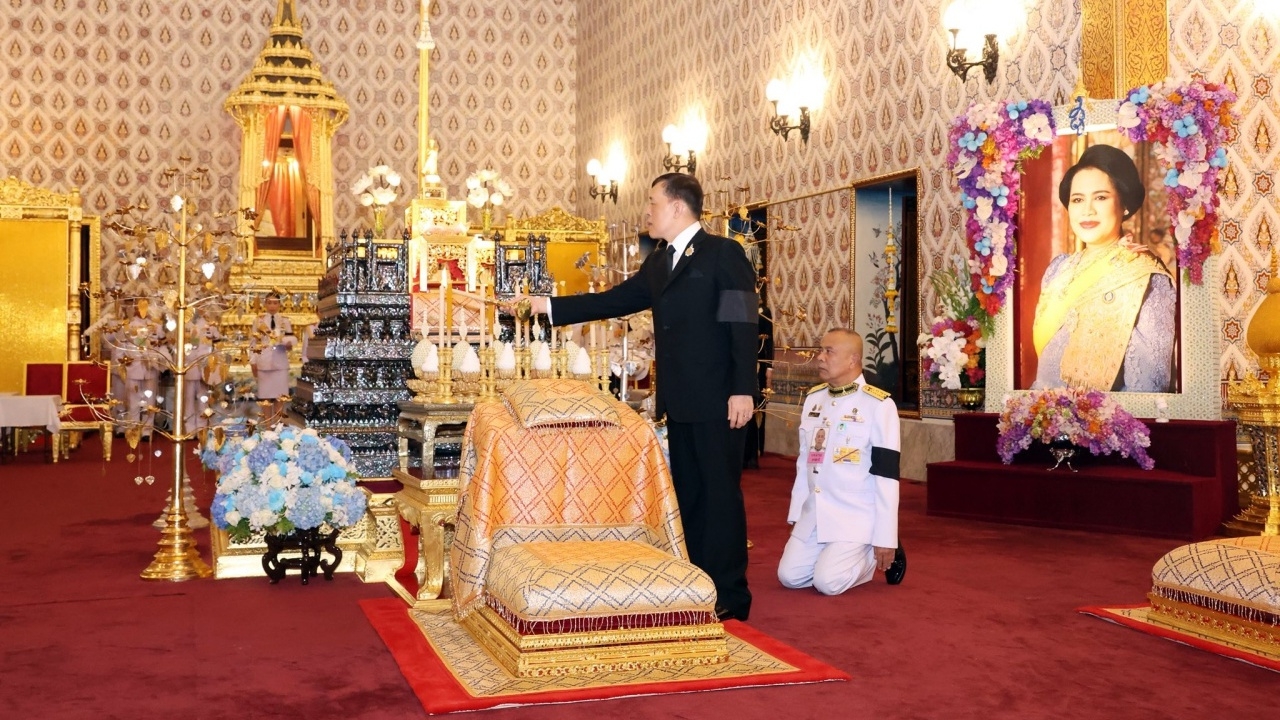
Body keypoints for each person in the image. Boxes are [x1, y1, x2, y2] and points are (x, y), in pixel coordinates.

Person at [524, 173, 759, 621]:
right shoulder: (659, 262)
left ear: (676, 207)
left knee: (720, 495)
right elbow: (616, 299)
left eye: (653, 202)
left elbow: (743, 324)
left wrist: (742, 390)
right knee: (689, 493)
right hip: (681, 399)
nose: (646, 211)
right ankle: (696, 582)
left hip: (720, 399)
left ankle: (731, 593)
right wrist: (551, 307)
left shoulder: (723, 253)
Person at [1032, 144, 1176, 392]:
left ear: (1125, 204)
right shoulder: (1058, 270)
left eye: (1100, 197)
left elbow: (1147, 391)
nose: (1087, 210)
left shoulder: (1145, 277)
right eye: (1077, 199)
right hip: (1040, 421)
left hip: (1105, 425)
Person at [778, 328, 905, 595]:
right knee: (789, 577)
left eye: (828, 351)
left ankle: (868, 552)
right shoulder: (814, 399)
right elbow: (805, 462)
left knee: (828, 583)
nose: (820, 358)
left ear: (853, 360)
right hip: (816, 512)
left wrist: (885, 536)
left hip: (855, 516)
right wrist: (796, 511)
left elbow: (886, 475)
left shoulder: (878, 405)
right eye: (820, 350)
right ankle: (834, 552)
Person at [250, 292, 296, 417]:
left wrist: (288, 344)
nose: (272, 306)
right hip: (263, 361)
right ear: (265, 304)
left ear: (279, 304)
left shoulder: (284, 321)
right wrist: (253, 362)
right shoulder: (258, 321)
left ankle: (278, 425)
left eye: (275, 303)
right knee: (265, 397)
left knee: (280, 396)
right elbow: (253, 343)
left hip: (280, 361)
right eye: (269, 302)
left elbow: (290, 340)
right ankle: (268, 426)